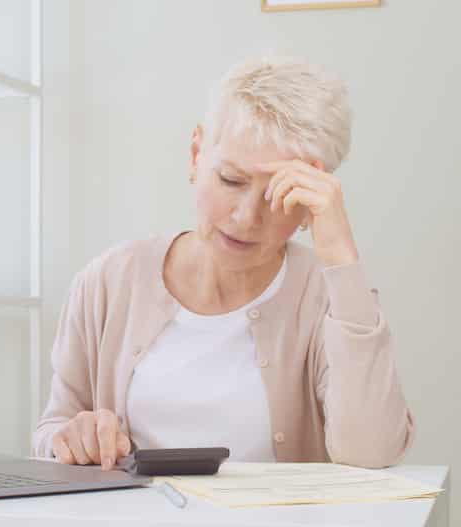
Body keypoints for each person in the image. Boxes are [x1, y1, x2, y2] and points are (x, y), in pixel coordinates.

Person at [31, 55, 414, 471]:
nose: (247, 217)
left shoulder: (328, 295)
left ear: (310, 204)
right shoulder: (108, 280)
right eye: (231, 180)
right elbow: (53, 428)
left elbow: (371, 453)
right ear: (196, 155)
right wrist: (70, 438)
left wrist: (341, 257)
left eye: (279, 195)